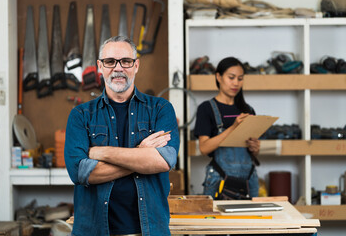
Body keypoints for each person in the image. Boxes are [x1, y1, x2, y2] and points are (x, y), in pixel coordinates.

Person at [64, 35, 180, 236]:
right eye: (110, 62)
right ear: (100, 66)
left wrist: (100, 152)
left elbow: (164, 160)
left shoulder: (161, 109)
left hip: (149, 231)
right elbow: (81, 173)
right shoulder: (81, 115)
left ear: (136, 65)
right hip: (94, 231)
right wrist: (141, 154)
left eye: (126, 61)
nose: (118, 68)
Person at [194, 56, 260, 199]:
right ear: (218, 76)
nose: (236, 83)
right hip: (219, 179)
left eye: (240, 78)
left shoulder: (248, 110)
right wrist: (233, 128)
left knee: (253, 221)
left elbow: (251, 153)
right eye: (231, 77)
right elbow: (204, 148)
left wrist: (255, 148)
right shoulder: (206, 109)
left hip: (249, 179)